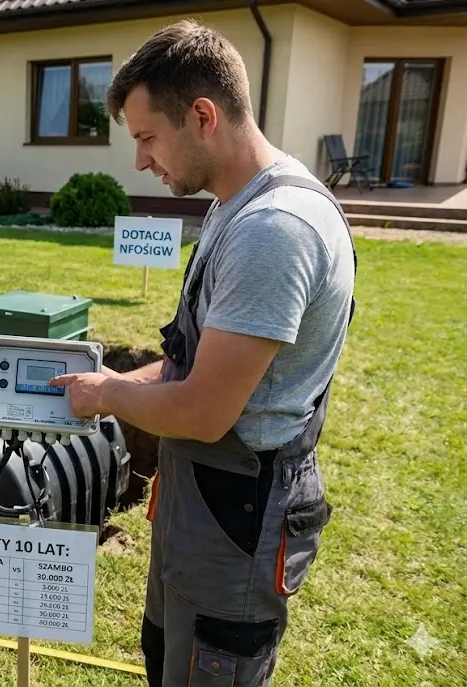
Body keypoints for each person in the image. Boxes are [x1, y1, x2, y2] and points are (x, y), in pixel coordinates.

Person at [49, 20, 357, 687]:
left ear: (203, 115)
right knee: (169, 658)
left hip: (237, 520)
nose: (140, 161)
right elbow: (191, 362)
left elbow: (204, 408)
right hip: (201, 505)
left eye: (146, 138)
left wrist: (105, 395)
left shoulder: (275, 231)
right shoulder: (232, 207)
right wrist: (116, 377)